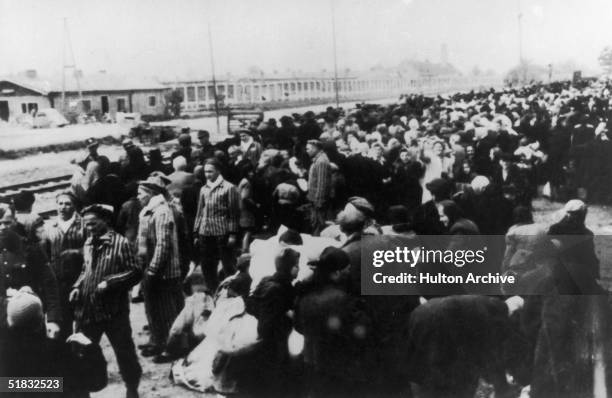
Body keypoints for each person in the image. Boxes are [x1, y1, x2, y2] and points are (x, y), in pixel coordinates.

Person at [69, 204, 142, 398]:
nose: (89, 228)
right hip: (88, 308)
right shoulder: (88, 243)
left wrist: (110, 283)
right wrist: (77, 286)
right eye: (86, 225)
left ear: (105, 221)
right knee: (81, 350)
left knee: (124, 351)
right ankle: (83, 390)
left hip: (114, 311)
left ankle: (131, 387)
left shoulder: (121, 243)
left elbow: (135, 271)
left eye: (93, 224)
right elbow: (86, 270)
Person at [295, 246, 372, 398]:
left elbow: (298, 326)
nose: (350, 273)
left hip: (313, 364)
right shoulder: (341, 299)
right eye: (347, 270)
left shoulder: (304, 295)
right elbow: (361, 331)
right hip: (341, 369)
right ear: (336, 273)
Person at [136, 175, 185, 362]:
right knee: (154, 309)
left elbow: (163, 246)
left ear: (151, 194)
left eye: (141, 193)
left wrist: (152, 271)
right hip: (150, 269)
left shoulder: (162, 212)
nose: (138, 197)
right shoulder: (148, 211)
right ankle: (159, 342)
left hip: (163, 272)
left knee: (168, 311)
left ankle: (173, 348)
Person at [0, 203, 62, 340]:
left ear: (15, 221)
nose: (2, 227)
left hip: (32, 318)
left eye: (6, 222)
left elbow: (49, 283)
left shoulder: (30, 248)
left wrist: (53, 318)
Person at [246, 247, 300, 396]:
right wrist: (285, 315)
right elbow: (267, 324)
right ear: (288, 268)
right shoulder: (278, 289)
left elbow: (251, 304)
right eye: (296, 266)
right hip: (274, 344)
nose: (299, 269)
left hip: (270, 342)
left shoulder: (268, 281)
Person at [41, 192, 86, 340]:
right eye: (60, 203)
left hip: (80, 279)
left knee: (83, 319)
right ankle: (67, 355)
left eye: (67, 204)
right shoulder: (49, 227)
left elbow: (92, 248)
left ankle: (84, 353)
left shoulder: (83, 225)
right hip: (58, 281)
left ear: (74, 206)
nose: (63, 207)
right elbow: (44, 254)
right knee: (63, 320)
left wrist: (77, 252)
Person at [194, 159, 241, 292]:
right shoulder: (204, 189)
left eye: (210, 171)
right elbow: (199, 212)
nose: (207, 174)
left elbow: (233, 213)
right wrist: (196, 232)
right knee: (207, 265)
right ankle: (213, 290)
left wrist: (232, 234)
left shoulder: (229, 188)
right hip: (205, 232)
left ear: (218, 171)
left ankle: (231, 291)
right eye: (205, 171)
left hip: (222, 232)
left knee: (228, 265)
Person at [306, 139, 333, 235]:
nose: (307, 151)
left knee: (319, 225)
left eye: (308, 149)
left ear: (315, 149)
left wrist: (319, 201)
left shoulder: (321, 161)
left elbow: (322, 184)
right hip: (315, 200)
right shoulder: (319, 160)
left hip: (318, 201)